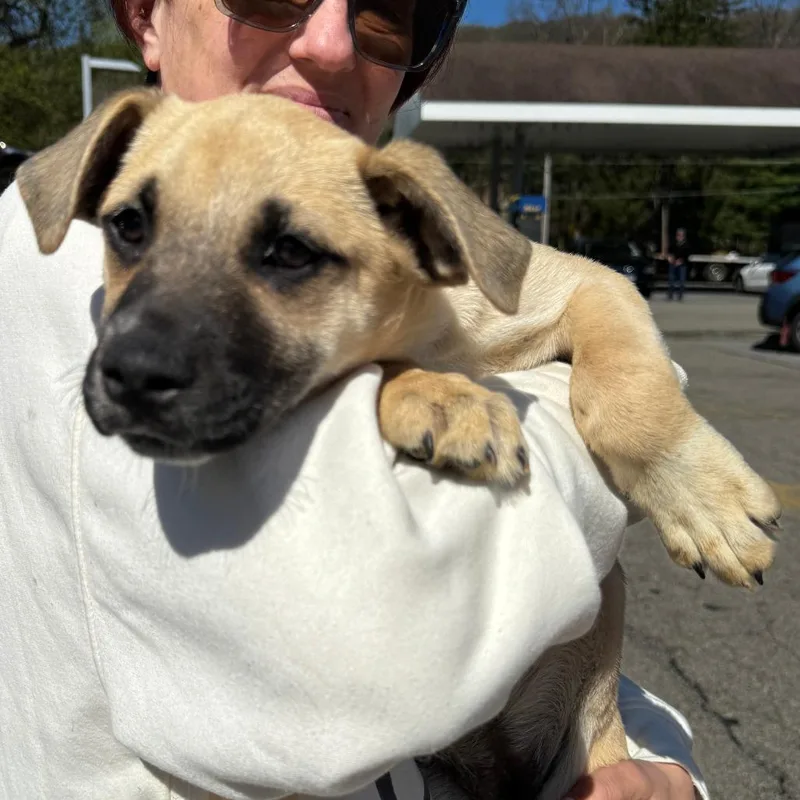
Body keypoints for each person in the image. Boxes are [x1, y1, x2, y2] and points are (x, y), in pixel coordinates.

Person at [0, 2, 707, 799]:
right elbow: (378, 662)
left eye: (388, 16)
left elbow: (537, 632)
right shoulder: (42, 261)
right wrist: (599, 428)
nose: (333, 45)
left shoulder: (374, 237)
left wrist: (661, 763)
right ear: (146, 19)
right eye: (132, 229)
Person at [668, 228, 691, 301]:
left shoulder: (686, 245)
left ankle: (680, 296)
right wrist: (670, 257)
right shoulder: (673, 243)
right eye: (678, 235)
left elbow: (687, 256)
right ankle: (670, 295)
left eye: (681, 235)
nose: (679, 237)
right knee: (671, 280)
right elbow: (669, 252)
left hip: (682, 265)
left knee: (681, 281)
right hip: (673, 264)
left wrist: (680, 261)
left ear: (683, 236)